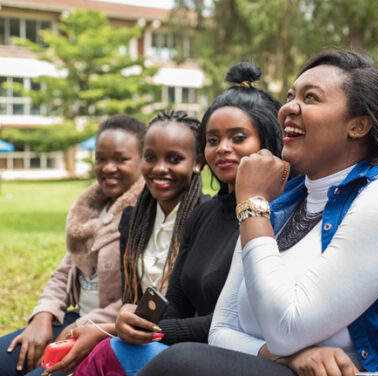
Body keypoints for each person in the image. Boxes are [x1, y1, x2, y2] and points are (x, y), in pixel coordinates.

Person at [138, 50, 378, 376]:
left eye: (311, 98)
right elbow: (221, 330)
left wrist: (251, 202)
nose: (288, 108)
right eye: (290, 96)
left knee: (181, 365)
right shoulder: (280, 205)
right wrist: (286, 358)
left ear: (358, 125)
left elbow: (286, 328)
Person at [72, 62, 285, 375]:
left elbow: (239, 321)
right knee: (110, 350)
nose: (223, 149)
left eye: (238, 138)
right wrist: (133, 320)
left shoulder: (273, 215)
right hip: (182, 351)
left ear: (266, 141)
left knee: (112, 352)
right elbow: (176, 303)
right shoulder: (205, 214)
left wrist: (155, 333)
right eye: (212, 140)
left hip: (234, 359)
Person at [39, 110, 205, 375]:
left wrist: (106, 329)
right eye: (151, 158)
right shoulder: (135, 219)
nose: (159, 168)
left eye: (174, 159)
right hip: (124, 335)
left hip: (171, 348)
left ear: (197, 162)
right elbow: (129, 296)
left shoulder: (204, 219)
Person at [0, 115, 146, 376]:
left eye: (120, 159)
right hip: (71, 318)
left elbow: (136, 297)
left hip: (105, 331)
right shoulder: (90, 211)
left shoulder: (144, 216)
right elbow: (64, 271)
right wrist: (42, 316)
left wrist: (78, 328)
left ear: (143, 160)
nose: (107, 167)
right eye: (100, 159)